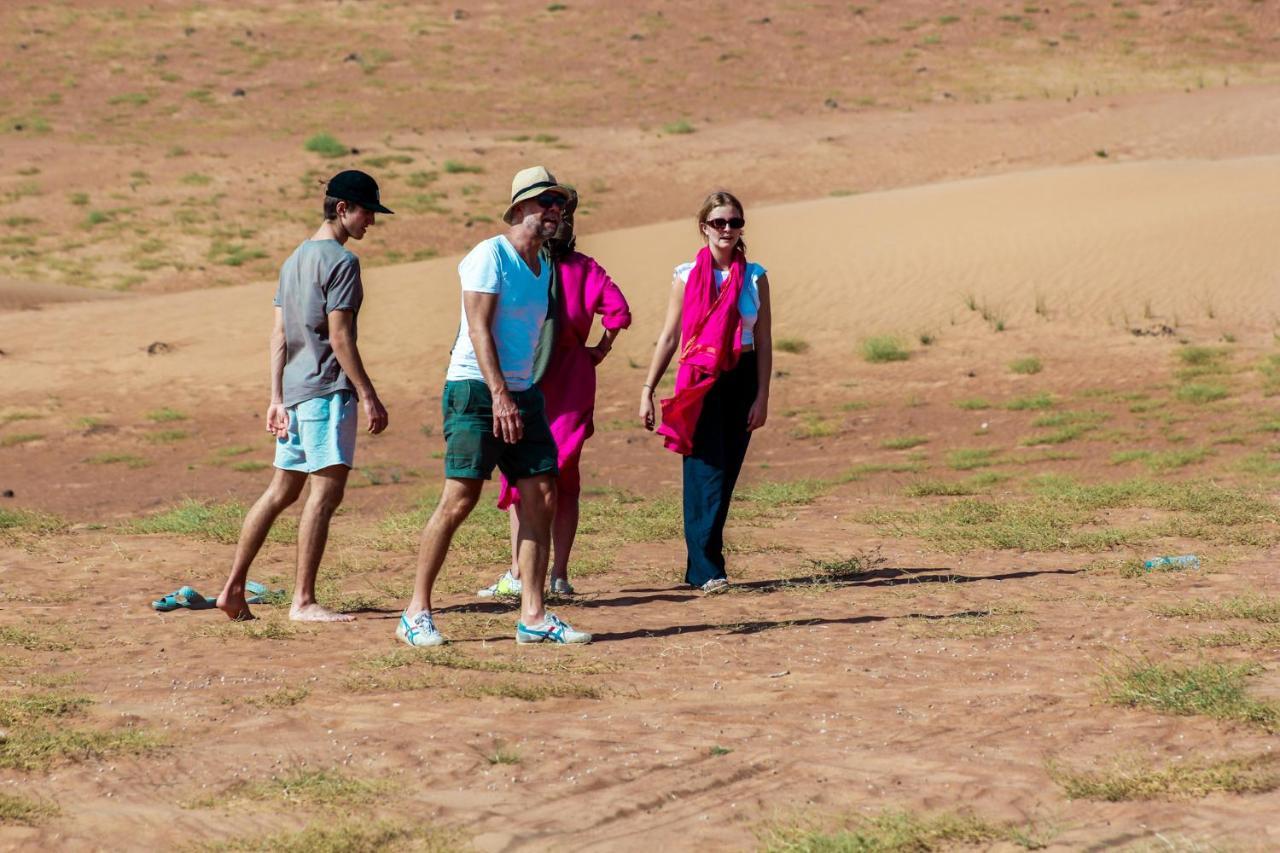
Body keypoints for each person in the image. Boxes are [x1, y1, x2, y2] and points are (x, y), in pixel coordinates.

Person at [397, 166, 593, 646]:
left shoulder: (542, 265)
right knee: (460, 497)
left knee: (542, 495)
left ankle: (533, 615)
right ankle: (415, 612)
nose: (555, 211)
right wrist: (501, 395)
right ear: (520, 207)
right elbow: (479, 328)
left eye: (559, 203)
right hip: (475, 389)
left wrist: (520, 393)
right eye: (546, 202)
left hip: (522, 392)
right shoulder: (489, 256)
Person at [216, 170, 391, 622]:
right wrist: (368, 395)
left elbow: (278, 335)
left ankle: (233, 587)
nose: (370, 221)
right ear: (342, 209)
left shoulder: (293, 259)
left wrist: (276, 396)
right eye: (366, 211)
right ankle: (303, 601)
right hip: (327, 390)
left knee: (280, 491)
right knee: (324, 495)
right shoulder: (341, 262)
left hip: (294, 393)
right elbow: (340, 337)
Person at [477, 187, 631, 600]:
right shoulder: (586, 268)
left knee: (521, 479)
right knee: (565, 480)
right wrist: (600, 348)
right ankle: (558, 575)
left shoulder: (530, 267)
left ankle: (517, 571)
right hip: (575, 381)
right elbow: (619, 312)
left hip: (531, 379)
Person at [639, 190, 772, 594]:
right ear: (704, 228)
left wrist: (762, 395)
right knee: (703, 472)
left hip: (742, 375)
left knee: (726, 473)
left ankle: (703, 565)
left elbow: (764, 340)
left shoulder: (755, 276)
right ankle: (708, 569)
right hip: (698, 380)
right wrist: (647, 388)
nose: (727, 229)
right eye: (719, 223)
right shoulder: (684, 276)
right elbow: (668, 337)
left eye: (734, 222)